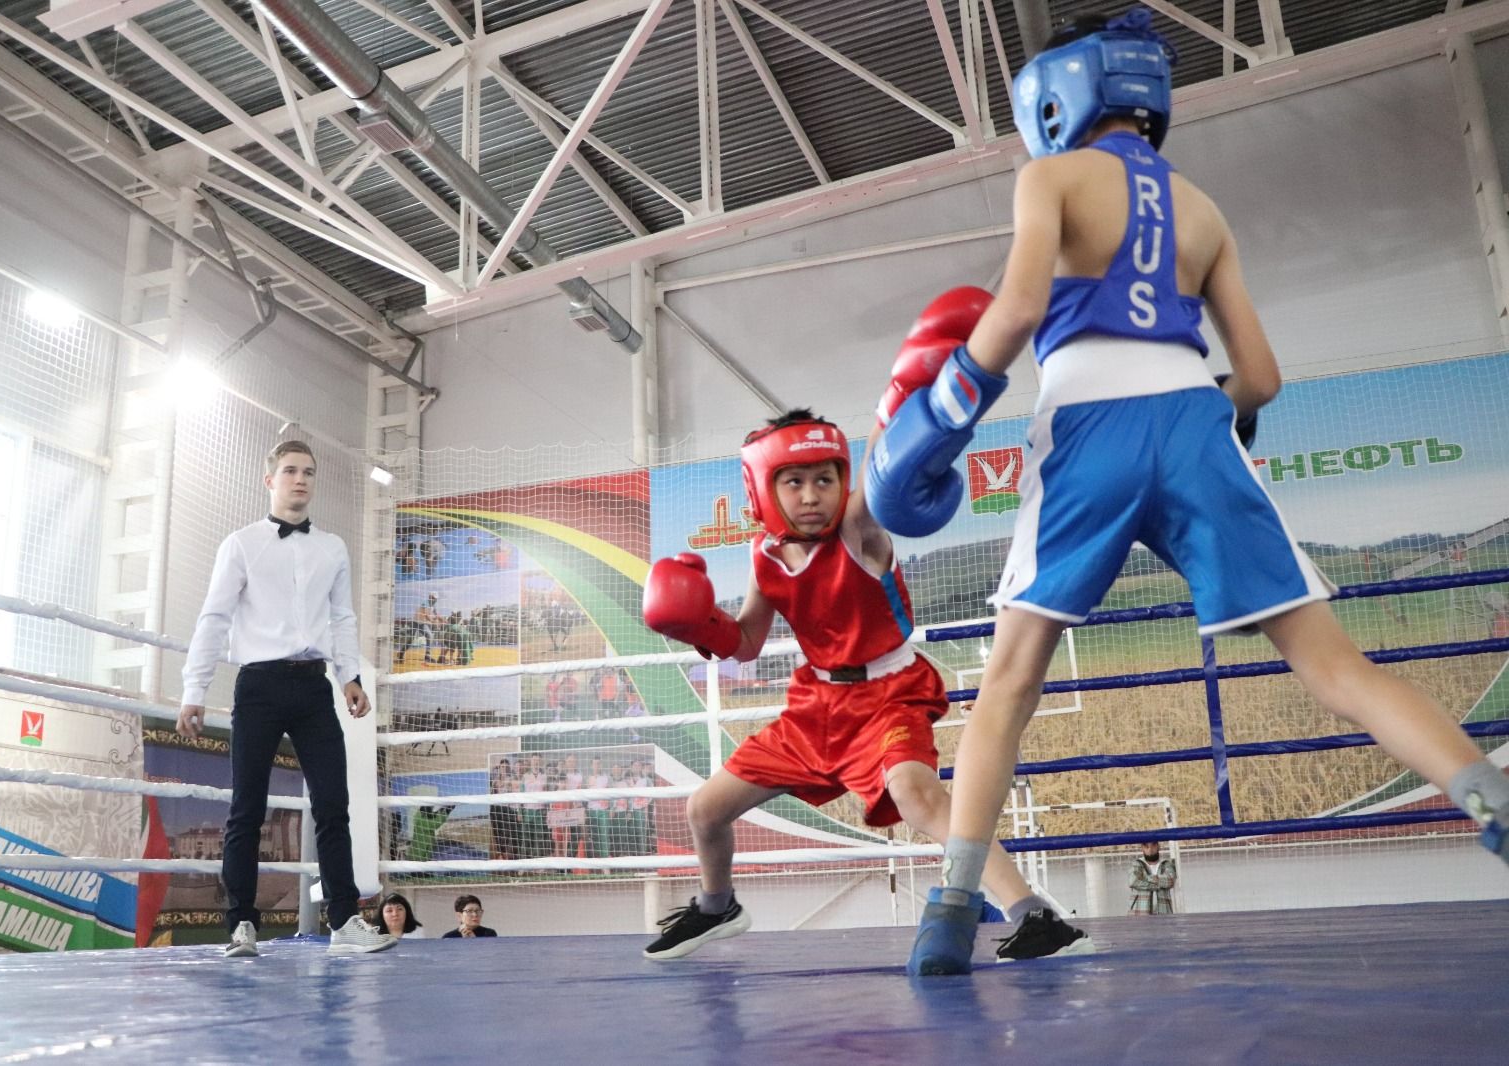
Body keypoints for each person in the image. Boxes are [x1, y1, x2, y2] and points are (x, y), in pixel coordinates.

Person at [864, 8, 1509, 975]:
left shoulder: (1050, 176)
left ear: (1056, 95)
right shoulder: (1203, 209)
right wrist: (1209, 428)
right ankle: (1487, 796)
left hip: (1088, 422)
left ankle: (953, 908)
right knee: (1334, 667)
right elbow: (1260, 376)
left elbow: (1023, 306)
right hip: (1196, 418)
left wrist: (940, 410)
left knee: (1009, 684)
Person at [639, 409, 1091, 962]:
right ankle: (717, 908)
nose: (811, 496)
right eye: (794, 481)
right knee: (705, 809)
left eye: (824, 480)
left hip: (889, 695)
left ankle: (1034, 915)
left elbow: (881, 464)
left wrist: (899, 398)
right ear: (763, 487)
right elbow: (747, 643)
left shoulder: (857, 528)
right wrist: (698, 626)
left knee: (915, 793)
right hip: (816, 706)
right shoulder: (765, 556)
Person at [178, 440, 395, 959]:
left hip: (314, 685)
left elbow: (342, 618)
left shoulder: (333, 548)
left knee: (333, 804)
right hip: (257, 686)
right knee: (246, 808)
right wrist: (194, 689)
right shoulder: (241, 544)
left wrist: (351, 676)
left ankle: (343, 921)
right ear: (269, 479)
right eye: (291, 471)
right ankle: (241, 926)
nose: (301, 480)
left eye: (309, 473)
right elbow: (214, 617)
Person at [1130, 842, 1176, 915]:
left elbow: (1170, 881)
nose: (1150, 850)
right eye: (1147, 847)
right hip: (1139, 913)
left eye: (1153, 846)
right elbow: (1134, 881)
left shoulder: (1167, 864)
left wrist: (1144, 878)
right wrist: (1159, 885)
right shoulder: (1136, 864)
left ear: (1158, 846)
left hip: (1164, 912)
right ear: (1142, 848)